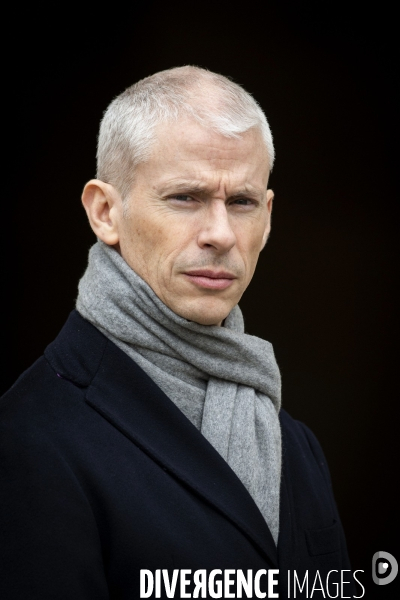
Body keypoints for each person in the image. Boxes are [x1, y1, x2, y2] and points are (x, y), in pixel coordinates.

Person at [0, 66, 353, 599]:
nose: (220, 234)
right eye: (185, 197)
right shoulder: (28, 442)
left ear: (269, 216)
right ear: (105, 212)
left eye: (242, 202)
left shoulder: (294, 446)